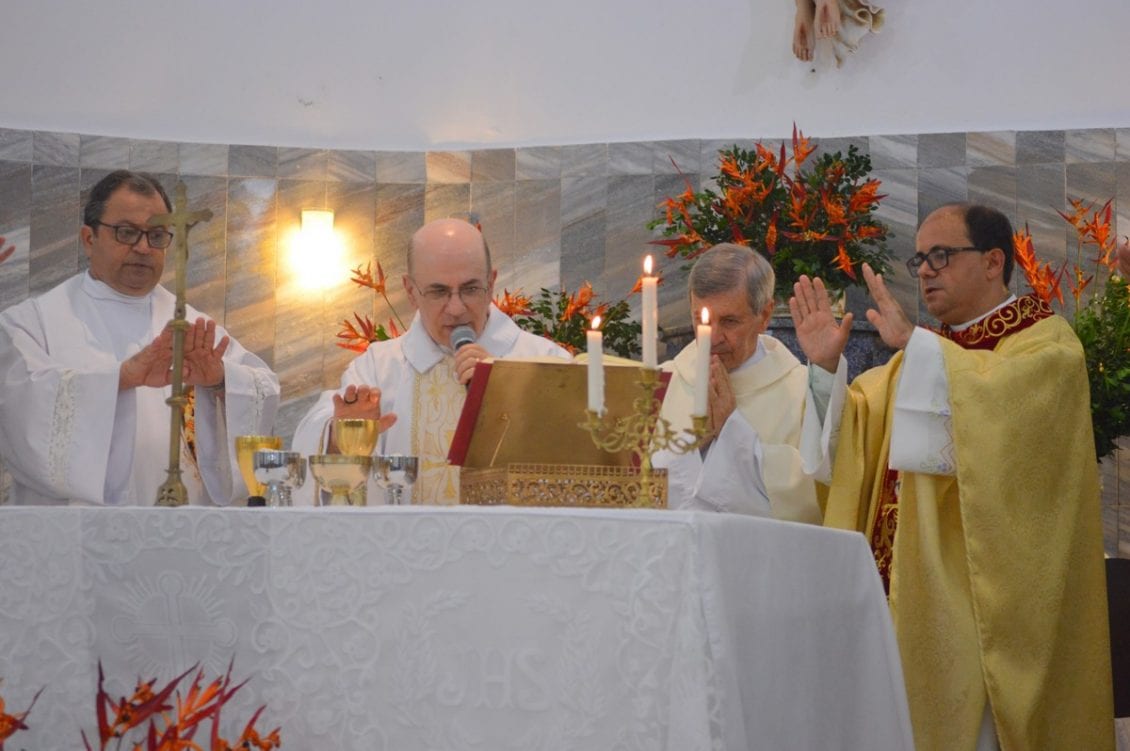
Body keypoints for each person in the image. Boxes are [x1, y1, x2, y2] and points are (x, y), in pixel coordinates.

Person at [791, 203, 1113, 750]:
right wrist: (824, 370)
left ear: (993, 261)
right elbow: (851, 441)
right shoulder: (918, 359)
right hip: (902, 602)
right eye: (920, 258)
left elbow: (1006, 434)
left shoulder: (1047, 346)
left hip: (982, 615)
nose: (925, 270)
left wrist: (917, 347)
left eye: (940, 255)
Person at [0, 170, 280, 506]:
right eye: (127, 232)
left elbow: (263, 388)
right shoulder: (33, 323)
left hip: (182, 528)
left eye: (157, 235)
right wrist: (120, 379)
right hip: (77, 530)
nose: (144, 247)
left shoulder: (193, 328)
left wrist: (220, 381)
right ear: (89, 239)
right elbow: (20, 410)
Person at [292, 218, 570, 505]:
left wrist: (507, 392)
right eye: (438, 292)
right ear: (411, 292)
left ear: (491, 284)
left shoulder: (548, 363)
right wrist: (341, 437)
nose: (456, 308)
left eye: (470, 289)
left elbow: (573, 469)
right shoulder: (377, 368)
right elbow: (315, 436)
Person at [654, 243, 821, 523]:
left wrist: (732, 432)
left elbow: (814, 492)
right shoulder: (662, 382)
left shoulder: (801, 390)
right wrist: (693, 442)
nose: (712, 337)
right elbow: (630, 487)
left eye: (729, 321)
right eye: (702, 320)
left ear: (764, 316)